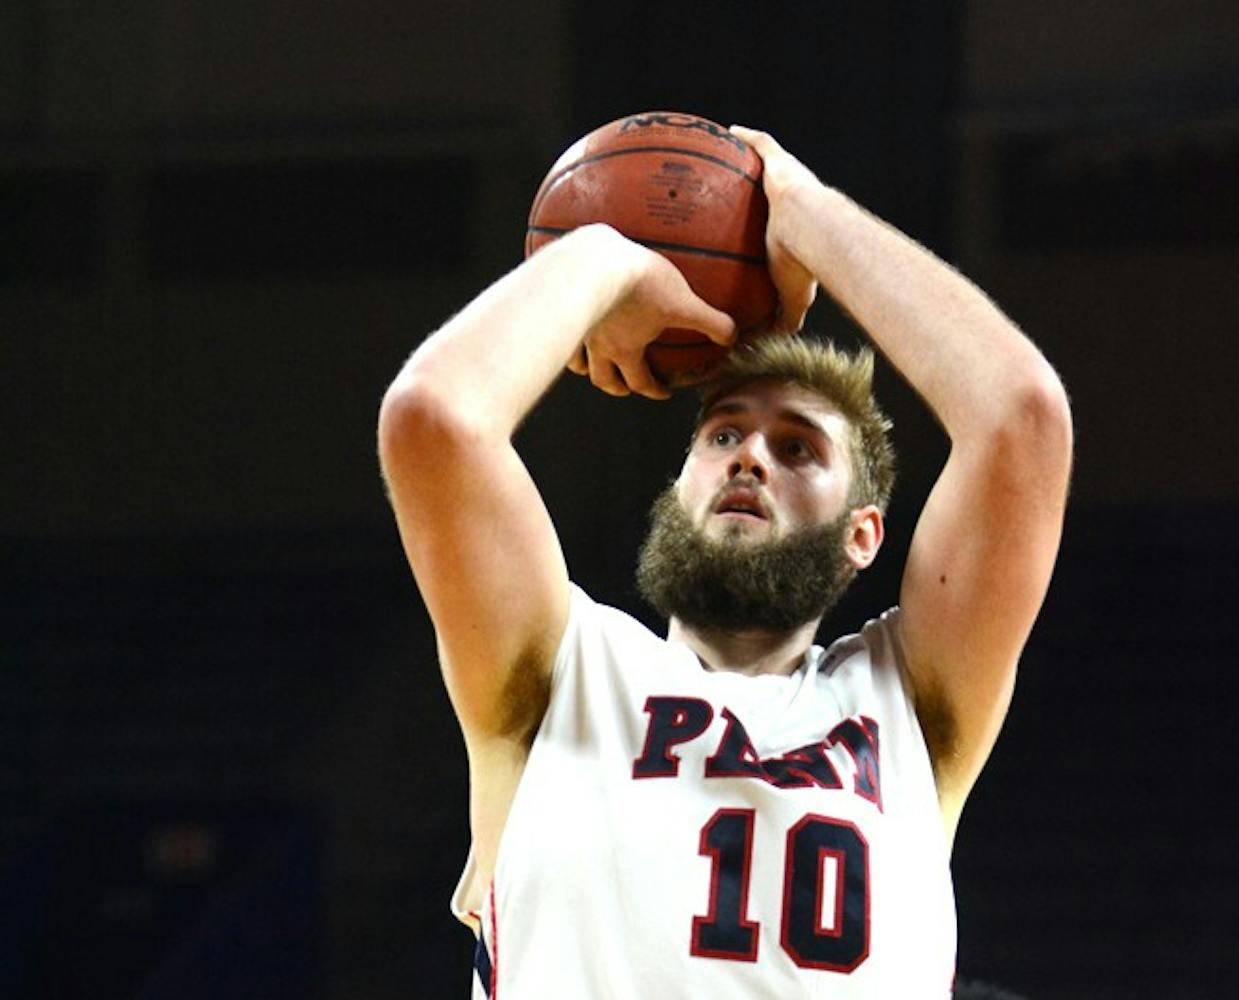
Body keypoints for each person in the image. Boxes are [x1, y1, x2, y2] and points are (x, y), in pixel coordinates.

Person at [377, 124, 1072, 999]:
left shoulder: (913, 704)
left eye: (798, 448)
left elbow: (1022, 420)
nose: (749, 457)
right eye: (724, 432)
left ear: (864, 532)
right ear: (677, 484)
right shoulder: (557, 668)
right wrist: (605, 257)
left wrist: (805, 216)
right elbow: (433, 420)